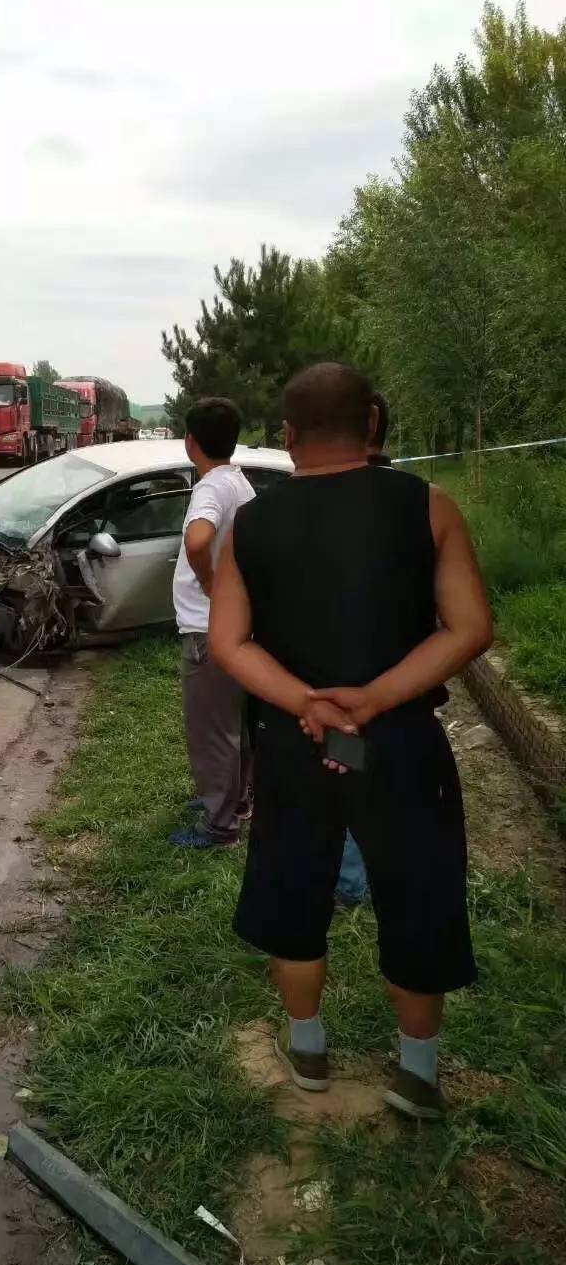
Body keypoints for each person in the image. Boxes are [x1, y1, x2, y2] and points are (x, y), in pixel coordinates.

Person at [210, 362, 493, 1121]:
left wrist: (308, 701)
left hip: (292, 743)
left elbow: (229, 642)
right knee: (417, 890)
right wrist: (370, 700)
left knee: (291, 886)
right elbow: (470, 628)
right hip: (399, 741)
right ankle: (418, 1075)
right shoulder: (428, 506)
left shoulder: (251, 525)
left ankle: (307, 1051)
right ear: (372, 424)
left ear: (290, 436)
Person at [169, 397, 255, 849]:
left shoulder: (210, 489)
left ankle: (220, 824)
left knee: (210, 728)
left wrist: (208, 582)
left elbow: (198, 538)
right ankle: (236, 799)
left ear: (191, 442)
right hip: (233, 626)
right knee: (232, 721)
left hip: (207, 628)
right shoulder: (239, 483)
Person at [335, 390, 391, 907]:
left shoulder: (344, 506)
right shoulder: (417, 499)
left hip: (352, 681)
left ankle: (352, 880)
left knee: (349, 768)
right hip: (403, 681)